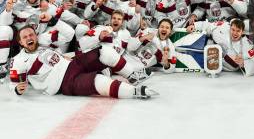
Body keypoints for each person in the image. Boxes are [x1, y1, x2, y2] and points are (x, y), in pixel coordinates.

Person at [10, 26, 157, 99]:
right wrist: (17, 89)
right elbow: (14, 84)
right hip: (64, 82)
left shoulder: (42, 45)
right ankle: (135, 92)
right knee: (98, 81)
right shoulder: (18, 60)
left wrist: (55, 23)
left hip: (73, 64)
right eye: (25, 37)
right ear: (21, 42)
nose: (29, 38)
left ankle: (133, 75)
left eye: (31, 35)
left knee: (104, 51)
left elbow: (68, 33)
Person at [187, 18, 254, 76]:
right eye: (233, 30)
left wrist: (243, 64)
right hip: (205, 47)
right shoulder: (223, 27)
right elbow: (209, 26)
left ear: (242, 32)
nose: (235, 33)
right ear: (230, 28)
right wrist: (194, 26)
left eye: (238, 31)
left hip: (219, 66)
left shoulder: (247, 45)